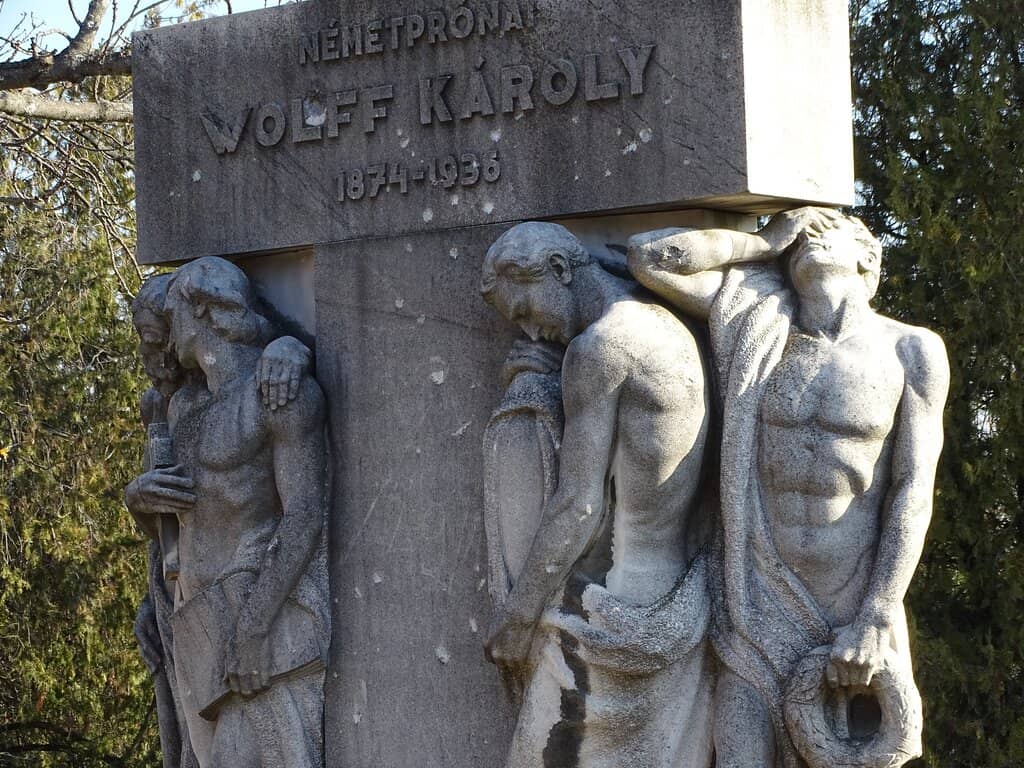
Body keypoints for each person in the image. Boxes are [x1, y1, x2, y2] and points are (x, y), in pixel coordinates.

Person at [627, 208, 949, 767]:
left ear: (869, 258)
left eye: (832, 229)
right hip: (754, 603)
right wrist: (766, 239)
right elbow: (650, 258)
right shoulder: (757, 326)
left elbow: (912, 491)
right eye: (801, 237)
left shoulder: (911, 351)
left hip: (850, 607)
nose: (812, 233)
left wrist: (875, 613)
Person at [482, 222, 714, 768]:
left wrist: (517, 616)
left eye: (524, 312)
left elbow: (579, 505)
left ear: (559, 271)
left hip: (609, 613)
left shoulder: (599, 350)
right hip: (674, 594)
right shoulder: (664, 324)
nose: (531, 335)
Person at [127, 257, 329, 768]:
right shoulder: (182, 408)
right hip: (199, 629)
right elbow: (175, 529)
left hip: (258, 626)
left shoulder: (278, 396)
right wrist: (139, 500)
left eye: (173, 315)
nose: (166, 337)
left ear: (206, 311)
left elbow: (304, 514)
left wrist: (256, 628)